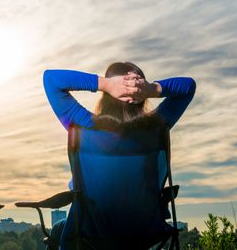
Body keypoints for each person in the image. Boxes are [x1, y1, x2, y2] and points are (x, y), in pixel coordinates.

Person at [43, 62, 196, 248]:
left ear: (106, 97)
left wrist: (107, 84)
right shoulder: (156, 128)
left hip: (88, 236)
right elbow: (188, 86)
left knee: (59, 229)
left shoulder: (84, 125)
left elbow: (51, 79)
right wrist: (151, 88)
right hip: (140, 237)